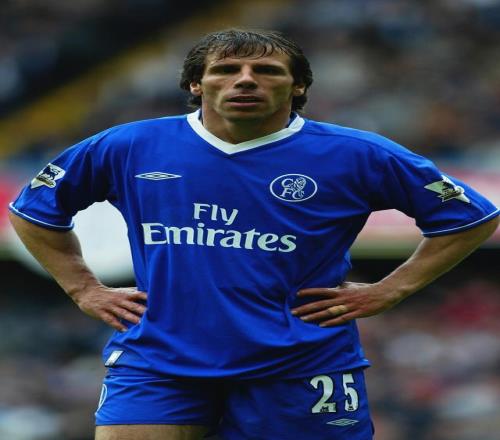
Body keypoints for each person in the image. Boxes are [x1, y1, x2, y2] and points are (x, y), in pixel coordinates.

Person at [8, 28, 499, 440]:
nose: (245, 79)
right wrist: (83, 288)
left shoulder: (359, 154)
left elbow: (470, 219)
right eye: (226, 70)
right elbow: (33, 210)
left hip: (299, 363)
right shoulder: (130, 145)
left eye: (266, 71)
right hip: (159, 357)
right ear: (196, 84)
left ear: (298, 86)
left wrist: (393, 288)